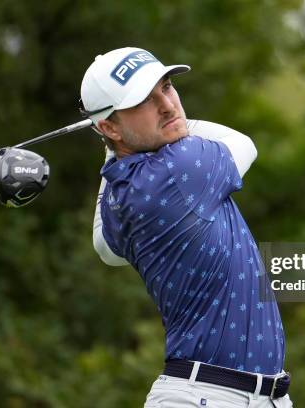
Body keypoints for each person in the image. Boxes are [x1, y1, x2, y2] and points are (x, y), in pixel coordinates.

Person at [80, 47, 292, 407]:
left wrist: (111, 147)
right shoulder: (182, 167)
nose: (167, 104)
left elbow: (105, 248)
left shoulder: (120, 196)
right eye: (144, 100)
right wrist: (178, 125)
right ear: (107, 125)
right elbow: (244, 144)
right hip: (208, 396)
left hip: (246, 395)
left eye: (166, 87)